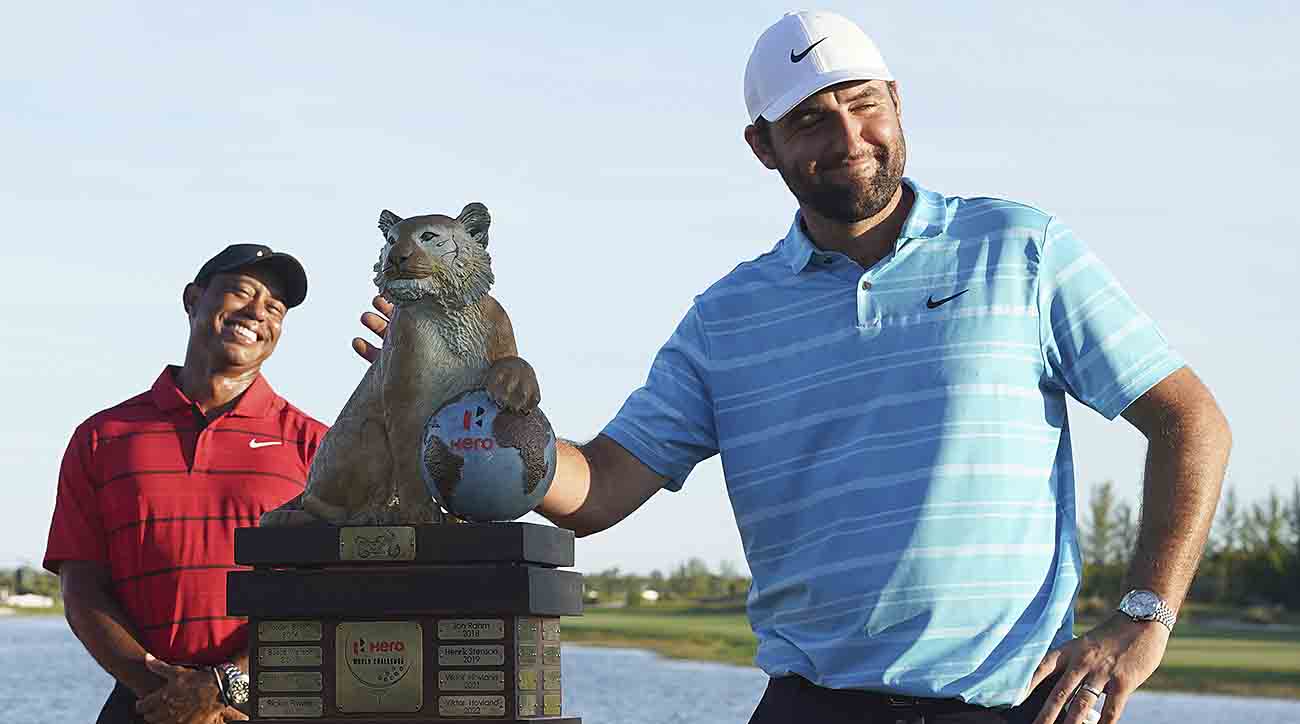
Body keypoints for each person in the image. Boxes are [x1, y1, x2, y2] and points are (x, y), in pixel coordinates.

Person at [354, 11, 1231, 724]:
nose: (849, 137)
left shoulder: (1022, 249)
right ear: (763, 145)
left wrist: (1144, 618)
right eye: (811, 118)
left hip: (1008, 708)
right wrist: (470, 388)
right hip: (812, 708)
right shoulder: (726, 317)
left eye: (863, 105)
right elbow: (601, 487)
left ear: (896, 101)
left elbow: (1190, 421)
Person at [45, 244, 327, 724]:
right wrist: (170, 695)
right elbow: (82, 590)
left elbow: (328, 595)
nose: (258, 311)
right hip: (146, 703)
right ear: (192, 299)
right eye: (242, 291)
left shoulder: (317, 446)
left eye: (276, 308)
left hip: (268, 701)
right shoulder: (102, 437)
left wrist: (222, 687)